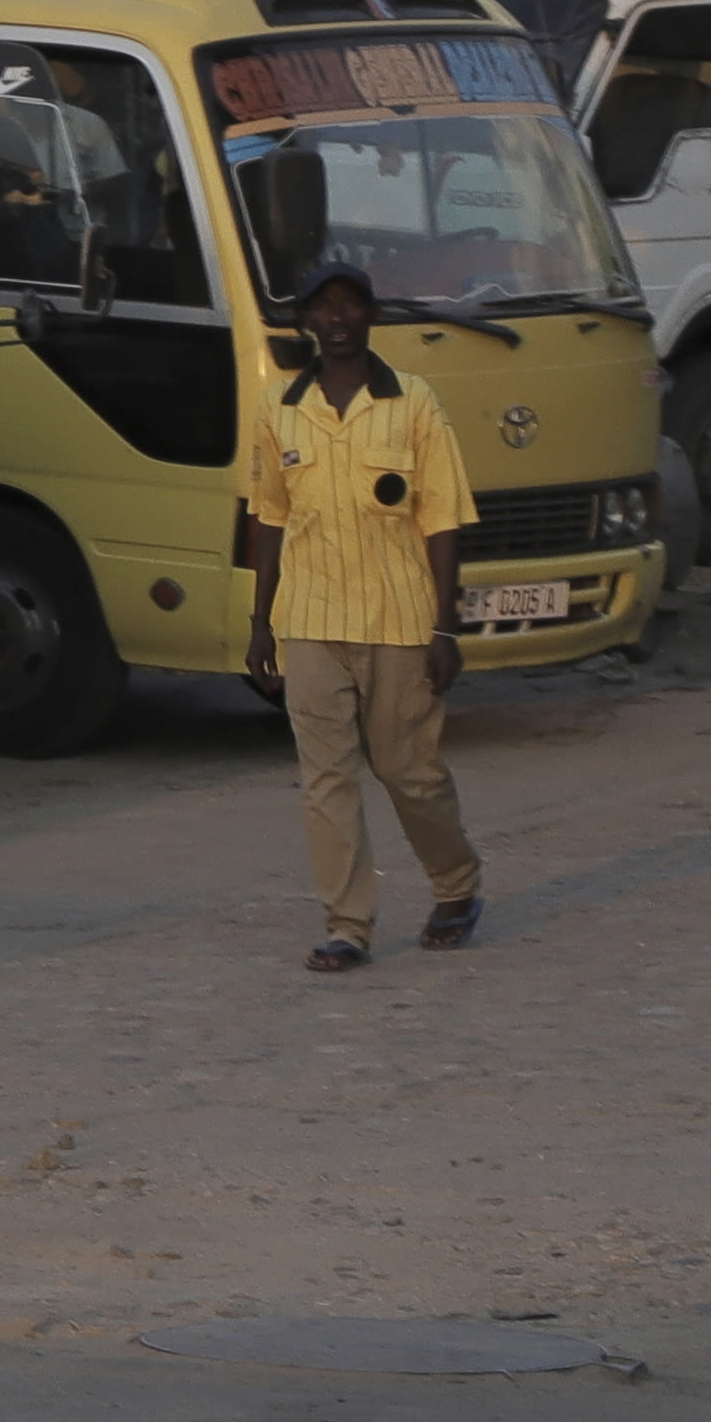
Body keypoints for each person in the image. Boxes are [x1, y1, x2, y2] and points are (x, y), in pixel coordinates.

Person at [233, 262, 483, 970]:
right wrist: (261, 625)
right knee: (326, 777)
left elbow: (442, 520)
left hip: (401, 622)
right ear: (306, 321)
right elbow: (270, 519)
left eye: (350, 305)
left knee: (411, 773)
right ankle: (348, 925)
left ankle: (456, 883)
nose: (338, 317)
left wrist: (444, 628)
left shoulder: (415, 404)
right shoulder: (279, 408)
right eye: (324, 306)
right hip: (310, 621)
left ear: (371, 316)